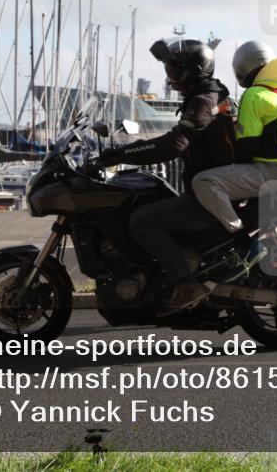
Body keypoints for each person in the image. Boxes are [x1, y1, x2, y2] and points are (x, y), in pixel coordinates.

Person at [94, 37, 234, 316]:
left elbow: (174, 144)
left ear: (192, 70)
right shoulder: (208, 96)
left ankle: (185, 284)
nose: (169, 75)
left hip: (208, 197)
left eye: (173, 69)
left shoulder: (203, 102)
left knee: (142, 220)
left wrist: (121, 154)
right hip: (210, 189)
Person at [192, 41, 277, 240]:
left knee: (204, 181)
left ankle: (235, 233)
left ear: (242, 68)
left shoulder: (255, 94)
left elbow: (246, 148)